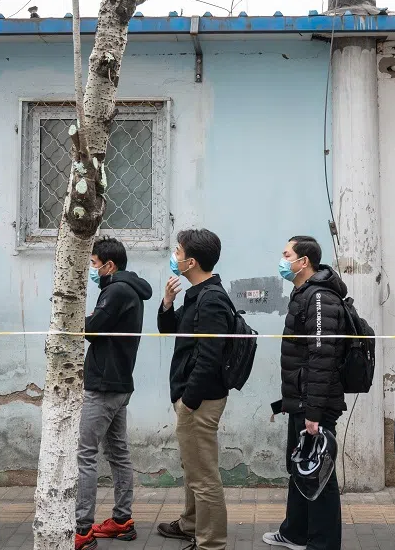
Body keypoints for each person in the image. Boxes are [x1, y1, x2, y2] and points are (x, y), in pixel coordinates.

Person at [263, 236, 349, 550]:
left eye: (287, 254)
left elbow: (321, 357)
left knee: (319, 474)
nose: (282, 260)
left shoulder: (319, 298)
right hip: (303, 399)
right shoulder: (305, 293)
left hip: (316, 403)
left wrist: (313, 412)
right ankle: (295, 533)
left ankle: (324, 544)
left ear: (304, 262)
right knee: (300, 467)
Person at [156, 229, 233, 550]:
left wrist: (188, 400)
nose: (173, 257)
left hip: (199, 399)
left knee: (203, 475)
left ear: (191, 261)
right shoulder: (196, 293)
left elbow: (209, 356)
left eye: (177, 252)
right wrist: (167, 303)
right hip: (191, 396)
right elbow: (170, 331)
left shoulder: (211, 298)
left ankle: (211, 542)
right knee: (193, 466)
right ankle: (190, 523)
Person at [74, 237, 153, 550]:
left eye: (94, 264)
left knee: (86, 454)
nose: (91, 270)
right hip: (118, 383)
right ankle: (121, 520)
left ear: (109, 265)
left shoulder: (117, 290)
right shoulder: (129, 289)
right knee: (118, 453)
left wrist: (71, 321)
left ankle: (82, 529)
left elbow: (93, 329)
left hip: (105, 385)